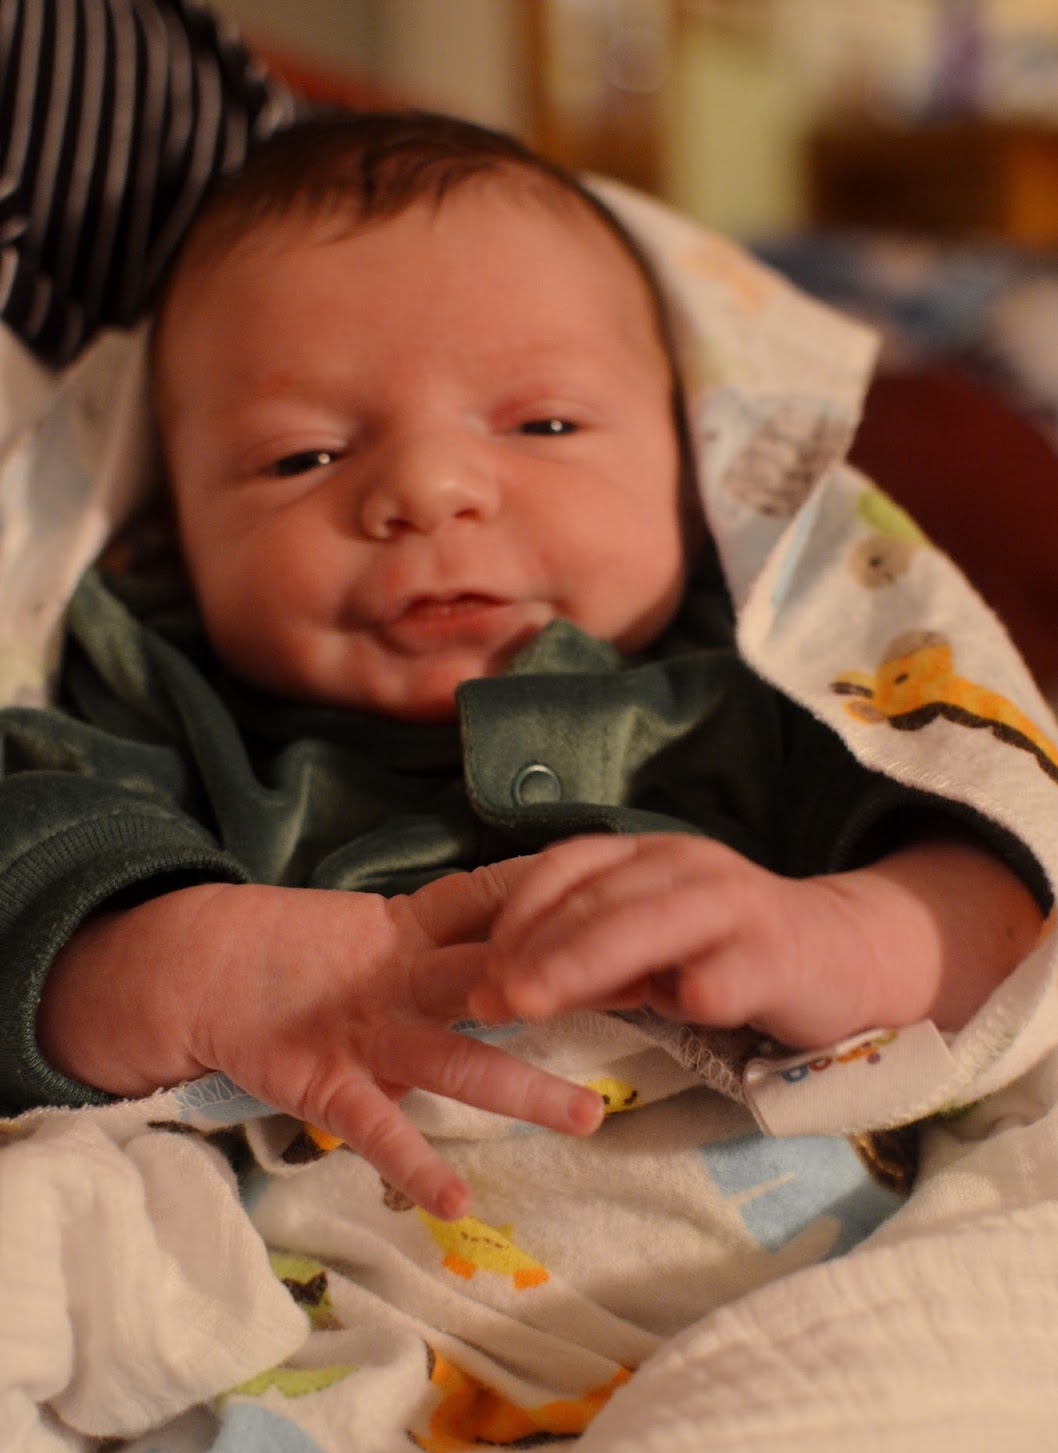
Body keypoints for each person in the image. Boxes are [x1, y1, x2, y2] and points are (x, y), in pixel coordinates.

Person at [0, 109, 1041, 1225]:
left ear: (700, 470)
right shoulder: (156, 691)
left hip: (816, 1259)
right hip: (325, 1290)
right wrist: (200, 961)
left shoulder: (766, 681)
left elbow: (1000, 911)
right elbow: (27, 888)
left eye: (542, 425)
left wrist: (836, 933)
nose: (430, 488)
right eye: (303, 456)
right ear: (167, 531)